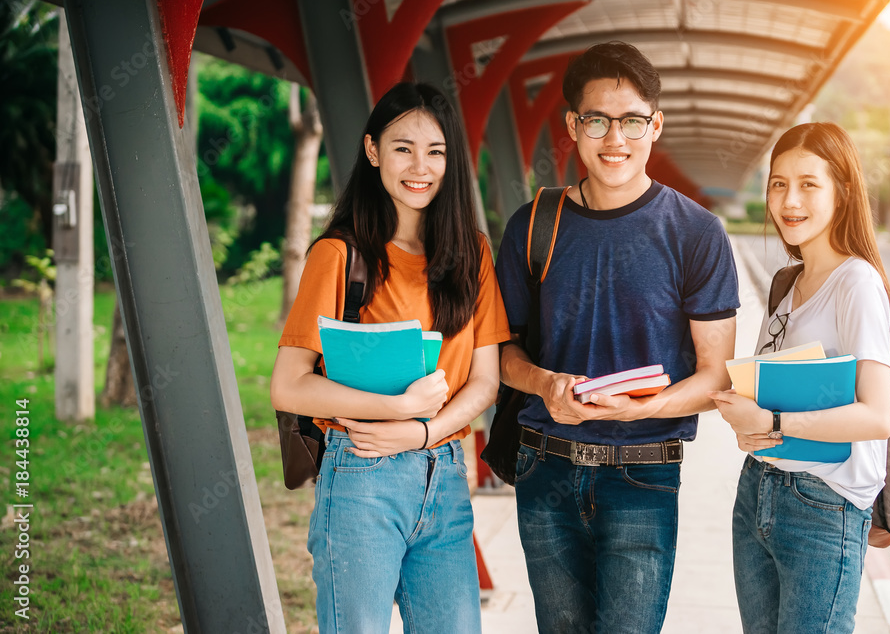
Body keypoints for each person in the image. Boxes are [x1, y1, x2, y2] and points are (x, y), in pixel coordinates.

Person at [495, 41, 740, 633]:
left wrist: (642, 411)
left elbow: (716, 375)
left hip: (643, 474)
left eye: (631, 120)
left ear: (655, 125)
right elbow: (500, 351)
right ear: (572, 126)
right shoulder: (532, 225)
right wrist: (545, 384)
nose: (615, 139)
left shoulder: (696, 234)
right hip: (544, 468)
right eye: (597, 120)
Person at [270, 82, 509, 633]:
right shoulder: (338, 256)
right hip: (360, 478)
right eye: (402, 148)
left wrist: (424, 433)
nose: (418, 166)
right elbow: (290, 386)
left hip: (446, 478)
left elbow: (485, 380)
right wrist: (398, 409)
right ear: (373, 151)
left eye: (436, 151)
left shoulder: (471, 253)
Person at [710, 122, 890, 634]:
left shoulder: (856, 283)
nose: (789, 200)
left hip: (823, 508)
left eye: (808, 184)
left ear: (843, 190)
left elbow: (877, 416)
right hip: (758, 491)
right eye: (778, 183)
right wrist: (744, 417)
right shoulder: (787, 284)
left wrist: (771, 421)